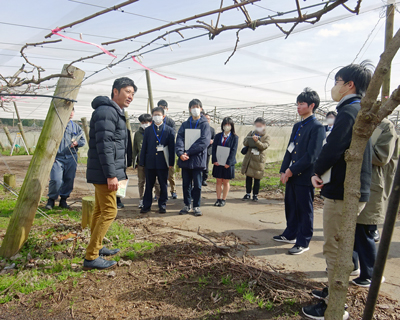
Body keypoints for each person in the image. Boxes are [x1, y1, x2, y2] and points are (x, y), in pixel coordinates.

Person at [303, 62, 373, 320]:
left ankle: (334, 305)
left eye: (337, 81)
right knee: (339, 245)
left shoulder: (349, 112)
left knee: (333, 248)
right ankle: (332, 290)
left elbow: (333, 147)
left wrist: (316, 171)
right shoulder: (360, 110)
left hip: (344, 191)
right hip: (353, 189)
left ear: (349, 85)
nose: (335, 86)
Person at [84, 77, 136, 270]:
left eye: (132, 93)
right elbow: (104, 145)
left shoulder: (113, 111)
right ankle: (91, 256)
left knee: (99, 210)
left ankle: (96, 247)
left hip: (105, 171)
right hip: (105, 172)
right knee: (110, 211)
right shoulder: (107, 111)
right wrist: (111, 174)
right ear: (115, 91)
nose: (130, 96)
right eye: (127, 91)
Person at [273, 88, 325, 255]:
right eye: (297, 104)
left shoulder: (317, 127)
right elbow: (290, 150)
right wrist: (284, 170)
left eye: (301, 104)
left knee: (304, 209)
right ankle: (290, 234)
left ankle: (303, 241)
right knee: (291, 206)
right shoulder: (297, 126)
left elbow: (312, 156)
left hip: (305, 176)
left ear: (312, 105)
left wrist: (291, 170)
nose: (298, 107)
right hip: (292, 174)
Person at [352, 118, 399, 287]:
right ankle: (353, 266)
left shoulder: (385, 127)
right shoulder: (361, 121)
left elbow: (381, 157)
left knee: (365, 230)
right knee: (352, 230)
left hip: (373, 186)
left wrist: (358, 142)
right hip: (356, 183)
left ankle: (371, 274)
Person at [175, 99, 211, 217]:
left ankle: (196, 205)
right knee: (186, 184)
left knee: (198, 184)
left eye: (197, 107)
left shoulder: (205, 124)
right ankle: (186, 204)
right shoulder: (185, 124)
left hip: (197, 158)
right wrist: (180, 153)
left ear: (201, 109)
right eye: (192, 107)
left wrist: (188, 152)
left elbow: (204, 142)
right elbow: (179, 138)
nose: (195, 109)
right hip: (185, 158)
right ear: (189, 109)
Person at [45, 108, 86, 210]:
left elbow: (82, 140)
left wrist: (77, 143)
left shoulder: (75, 127)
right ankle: (51, 200)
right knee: (56, 180)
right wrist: (50, 155)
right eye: (69, 110)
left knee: (69, 179)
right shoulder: (55, 125)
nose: (71, 113)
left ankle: (63, 200)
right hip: (57, 158)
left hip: (71, 157)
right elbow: (47, 141)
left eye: (73, 111)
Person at [139, 107, 175, 214]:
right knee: (149, 185)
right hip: (150, 162)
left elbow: (172, 148)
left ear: (163, 116)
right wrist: (142, 162)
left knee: (163, 184)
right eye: (154, 115)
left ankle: (162, 205)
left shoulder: (169, 130)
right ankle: (146, 205)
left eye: (158, 115)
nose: (156, 117)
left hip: (163, 162)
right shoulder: (149, 130)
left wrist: (171, 163)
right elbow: (144, 146)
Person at [132, 113, 160, 208]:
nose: (144, 124)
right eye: (143, 122)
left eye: (147, 122)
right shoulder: (137, 134)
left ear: (150, 122)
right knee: (141, 182)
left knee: (156, 181)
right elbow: (135, 148)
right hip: (141, 162)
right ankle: (141, 199)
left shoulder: (155, 131)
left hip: (153, 162)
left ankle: (159, 197)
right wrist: (134, 162)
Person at [241, 117, 270, 202]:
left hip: (259, 160)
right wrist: (250, 139)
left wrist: (257, 141)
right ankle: (247, 194)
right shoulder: (252, 132)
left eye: (260, 126)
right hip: (249, 158)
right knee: (248, 177)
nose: (258, 128)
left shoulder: (266, 136)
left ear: (264, 126)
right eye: (256, 126)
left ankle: (255, 195)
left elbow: (264, 146)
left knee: (257, 178)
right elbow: (245, 142)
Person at [212, 117, 238, 206]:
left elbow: (234, 150)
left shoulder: (235, 137)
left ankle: (223, 199)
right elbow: (214, 148)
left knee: (226, 181)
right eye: (225, 124)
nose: (226, 126)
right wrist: (214, 160)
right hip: (218, 162)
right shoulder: (218, 136)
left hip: (228, 163)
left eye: (228, 125)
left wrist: (228, 163)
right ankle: (218, 198)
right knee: (218, 180)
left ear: (231, 126)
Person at [157, 99, 178, 199]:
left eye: (164, 108)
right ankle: (158, 192)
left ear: (167, 109)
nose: (162, 109)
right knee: (158, 175)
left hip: (169, 150)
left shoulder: (171, 122)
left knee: (171, 173)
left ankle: (173, 191)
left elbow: (172, 135)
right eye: (160, 107)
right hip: (157, 151)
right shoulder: (154, 122)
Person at [203, 113, 216, 186]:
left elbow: (215, 138)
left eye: (208, 119)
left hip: (208, 150)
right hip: (200, 150)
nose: (207, 120)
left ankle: (204, 179)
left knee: (206, 165)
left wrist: (212, 141)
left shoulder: (212, 129)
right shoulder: (200, 128)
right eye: (206, 118)